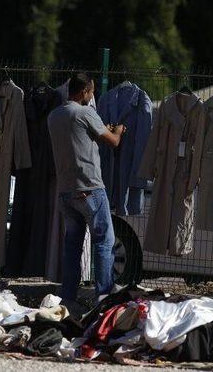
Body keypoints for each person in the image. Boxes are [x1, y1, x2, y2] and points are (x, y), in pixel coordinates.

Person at [48, 72, 125, 302]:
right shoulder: (86, 113)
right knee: (104, 240)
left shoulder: (54, 116)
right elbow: (113, 142)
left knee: (72, 246)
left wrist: (102, 128)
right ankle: (103, 297)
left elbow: (78, 137)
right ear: (84, 92)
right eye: (91, 92)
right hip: (90, 187)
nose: (92, 96)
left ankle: (68, 297)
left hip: (66, 191)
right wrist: (118, 130)